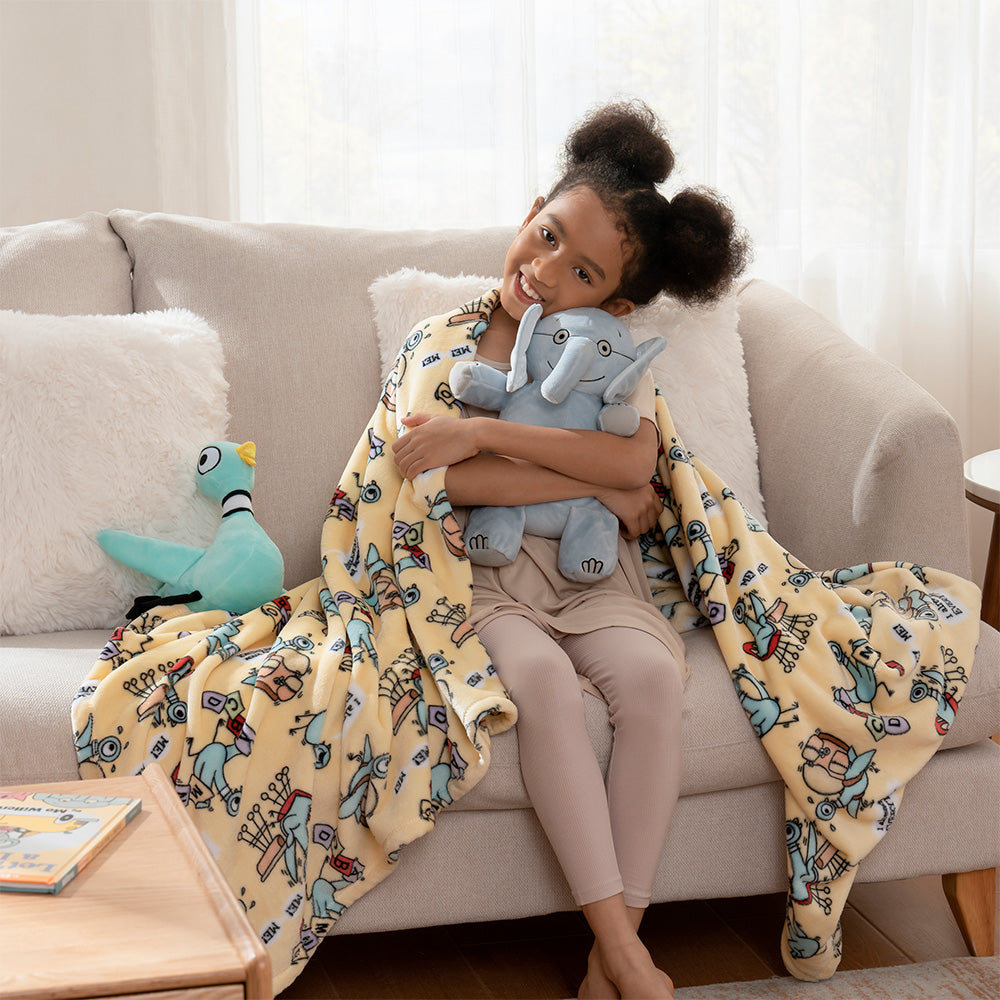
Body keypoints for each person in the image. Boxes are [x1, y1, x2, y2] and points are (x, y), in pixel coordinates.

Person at [392, 100, 749, 999]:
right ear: (527, 215)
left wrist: (483, 439)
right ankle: (627, 951)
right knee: (543, 682)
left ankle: (607, 957)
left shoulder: (608, 358)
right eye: (545, 236)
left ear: (613, 302)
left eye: (579, 268)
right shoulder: (447, 342)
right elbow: (450, 487)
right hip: (482, 574)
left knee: (657, 682)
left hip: (597, 576)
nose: (545, 271)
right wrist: (581, 478)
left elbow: (637, 458)